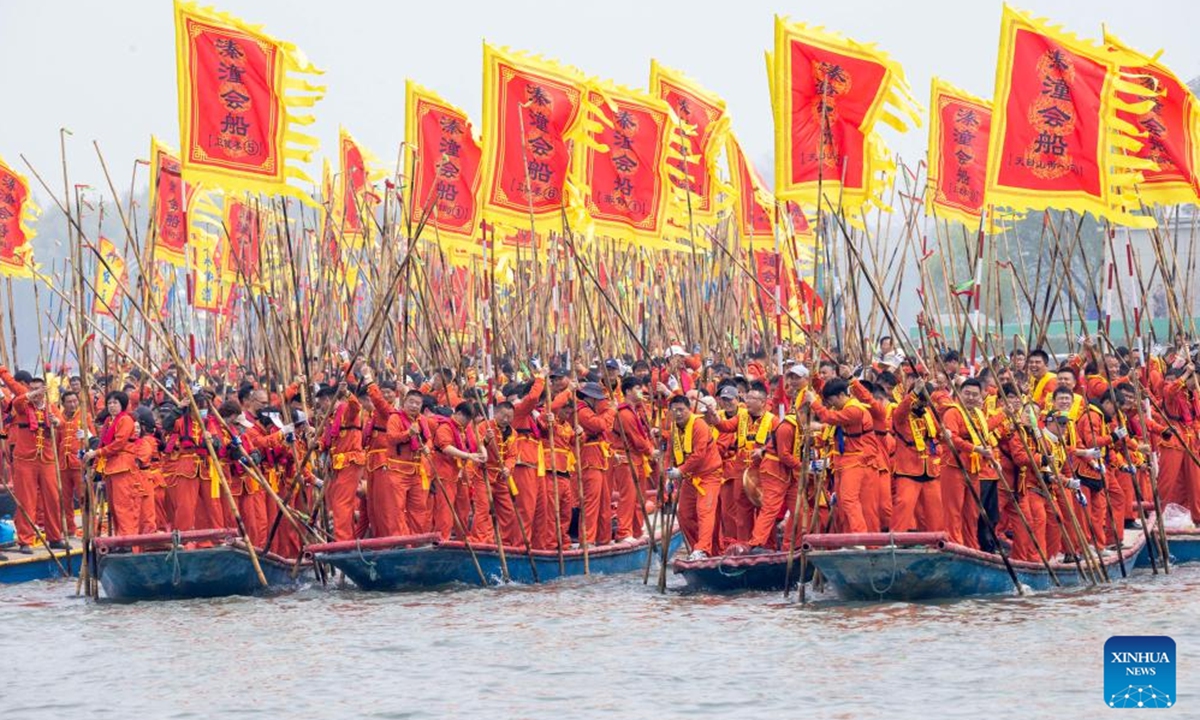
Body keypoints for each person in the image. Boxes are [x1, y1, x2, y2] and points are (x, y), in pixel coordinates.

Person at [0, 366, 67, 551]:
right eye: (33, 389)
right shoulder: (23, 404)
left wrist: (56, 422)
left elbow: (62, 423)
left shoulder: (51, 407)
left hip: (47, 460)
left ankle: (55, 537)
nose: (37, 393)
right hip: (25, 460)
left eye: (40, 389)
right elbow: (16, 401)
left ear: (45, 390)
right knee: (26, 500)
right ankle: (25, 540)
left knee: (53, 499)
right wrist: (31, 394)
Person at [806, 378, 875, 536]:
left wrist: (814, 403)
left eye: (832, 400)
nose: (831, 404)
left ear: (842, 395)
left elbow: (832, 419)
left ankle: (860, 537)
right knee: (841, 502)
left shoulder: (854, 410)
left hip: (854, 460)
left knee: (849, 500)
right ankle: (847, 536)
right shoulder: (844, 407)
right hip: (842, 461)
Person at [85, 391, 155, 537]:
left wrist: (95, 454)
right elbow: (103, 443)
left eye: (115, 403)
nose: (111, 406)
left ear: (122, 405)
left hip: (122, 467)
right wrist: (95, 466)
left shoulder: (125, 420)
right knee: (114, 508)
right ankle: (120, 537)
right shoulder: (109, 422)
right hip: (111, 467)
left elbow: (118, 444)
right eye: (109, 403)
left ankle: (127, 539)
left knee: (123, 506)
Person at [666, 394, 723, 560]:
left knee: (705, 511)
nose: (678, 413)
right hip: (689, 477)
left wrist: (680, 471)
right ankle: (697, 547)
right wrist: (668, 475)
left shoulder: (699, 425)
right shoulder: (673, 428)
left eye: (681, 410)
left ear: (689, 409)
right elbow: (670, 454)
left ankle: (702, 549)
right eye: (674, 410)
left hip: (708, 475)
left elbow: (699, 455)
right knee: (684, 514)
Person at [575, 381, 616, 545]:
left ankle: (603, 538)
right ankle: (588, 540)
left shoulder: (590, 410)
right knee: (591, 502)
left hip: (599, 459)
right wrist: (611, 411)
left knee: (604, 502)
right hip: (590, 460)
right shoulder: (583, 411)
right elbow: (600, 425)